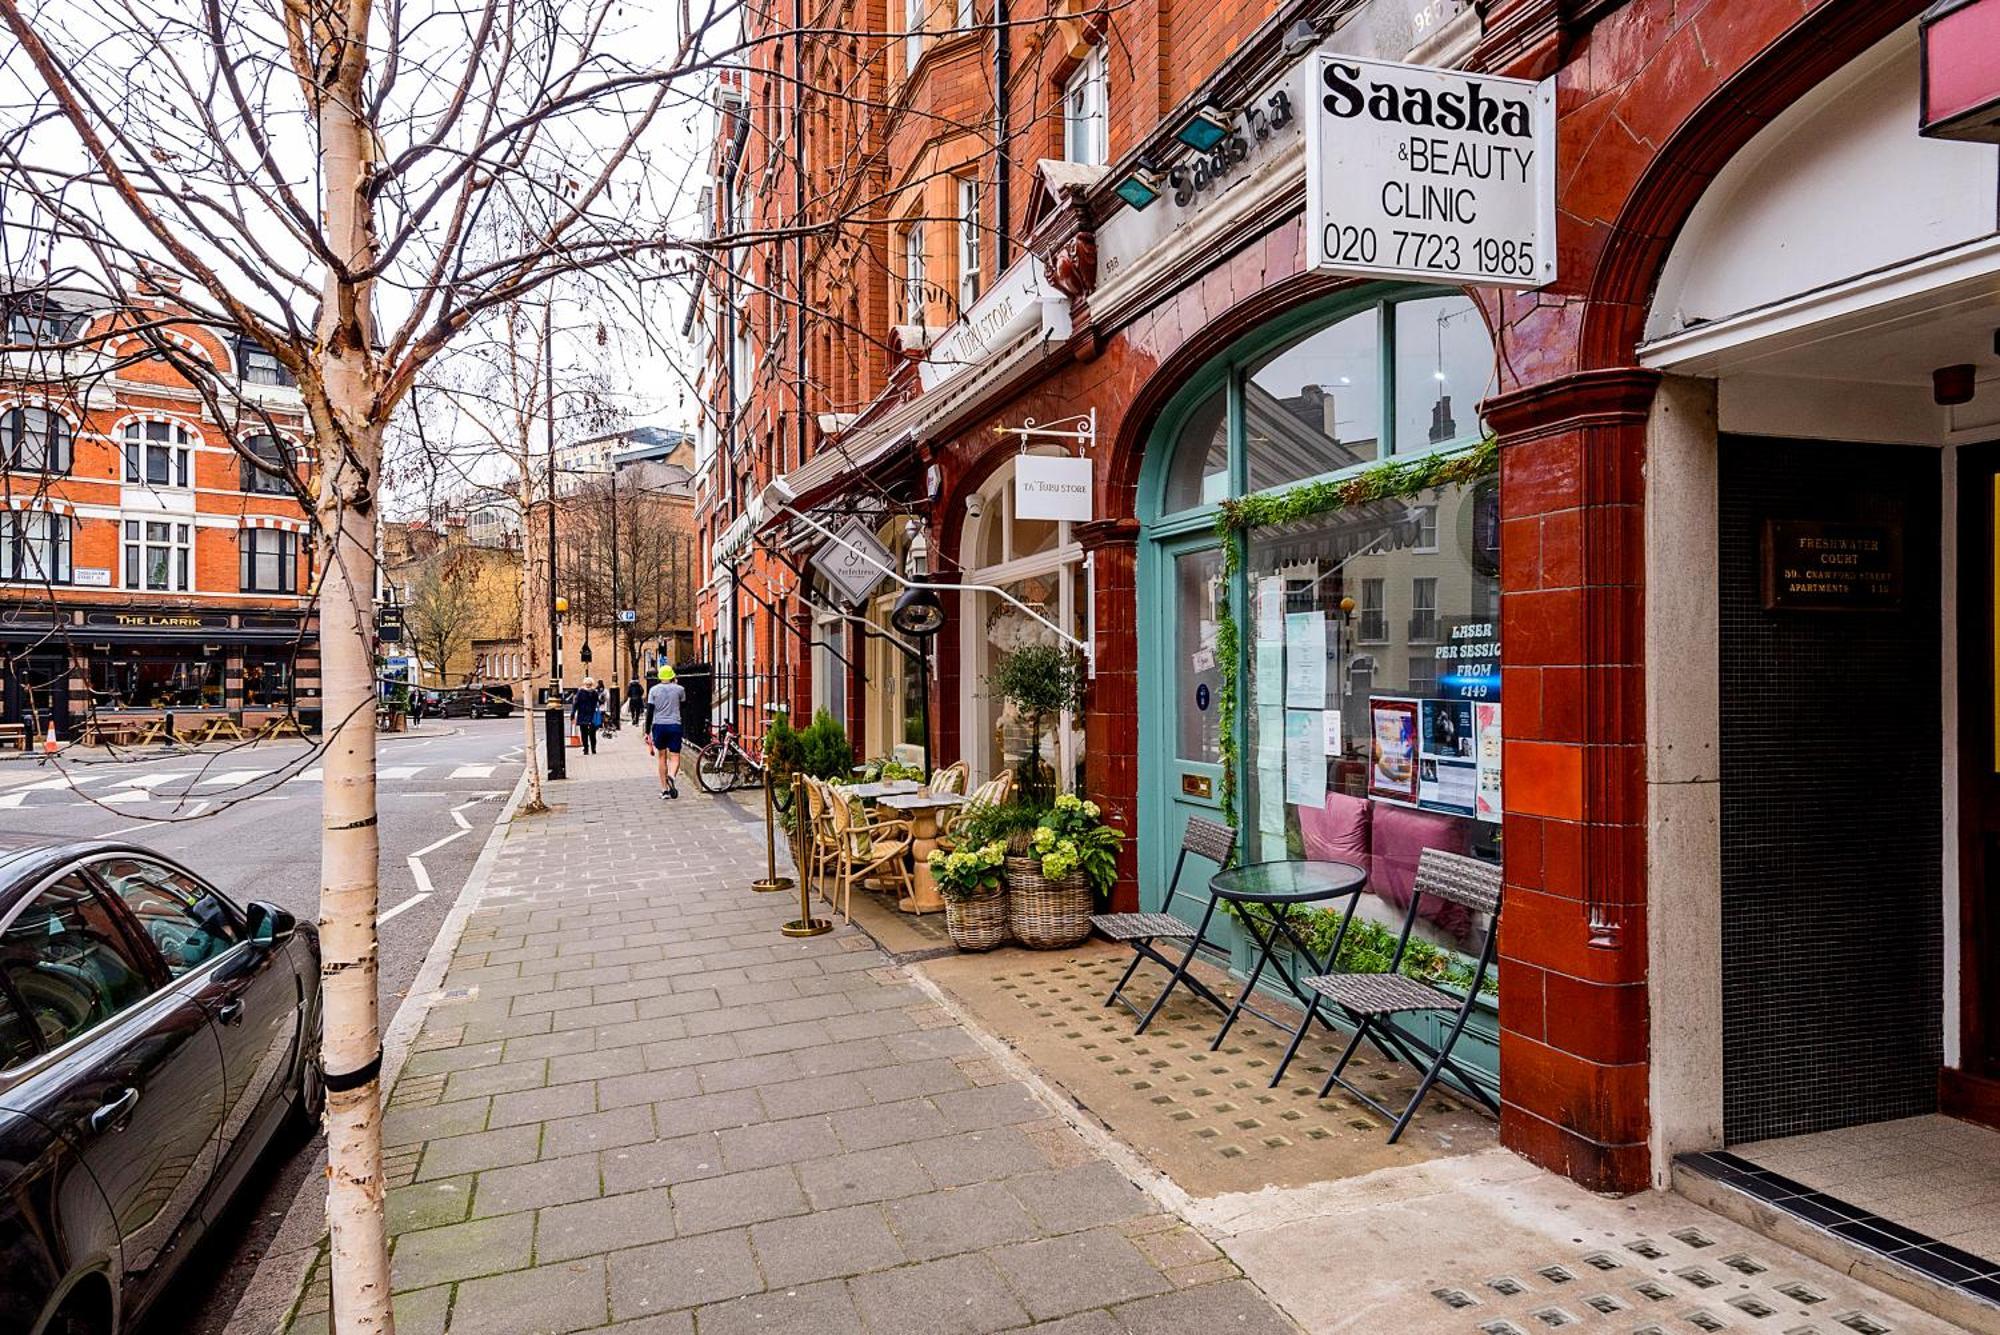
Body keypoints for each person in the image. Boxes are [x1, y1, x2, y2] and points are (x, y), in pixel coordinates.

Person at [646, 665, 687, 799]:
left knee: (662, 756)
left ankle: (664, 790)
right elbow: (683, 707)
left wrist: (647, 731)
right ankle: (672, 775)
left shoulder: (653, 690)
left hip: (659, 725)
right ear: (672, 676)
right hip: (675, 725)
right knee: (675, 755)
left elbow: (650, 711)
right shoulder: (680, 689)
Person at [572, 677, 602, 755]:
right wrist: (573, 712)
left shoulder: (593, 692)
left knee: (591, 733)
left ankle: (592, 748)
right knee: (585, 733)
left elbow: (597, 702)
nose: (588, 685)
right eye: (587, 684)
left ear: (591, 684)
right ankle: (586, 748)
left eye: (589, 684)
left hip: (590, 714)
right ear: (584, 684)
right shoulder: (581, 692)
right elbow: (576, 703)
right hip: (584, 714)